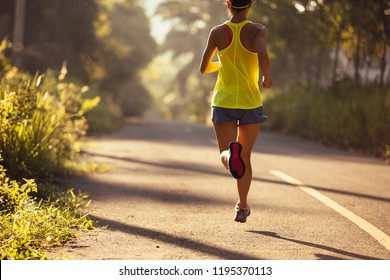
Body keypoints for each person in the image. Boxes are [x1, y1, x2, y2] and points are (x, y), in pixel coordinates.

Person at [200, 0, 272, 223]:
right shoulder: (258, 30)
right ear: (249, 5)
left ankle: (230, 156)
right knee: (246, 156)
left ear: (228, 4)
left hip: (223, 101)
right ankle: (242, 207)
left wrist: (222, 63)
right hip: (250, 102)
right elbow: (263, 55)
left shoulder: (217, 32)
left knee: (227, 152)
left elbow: (204, 68)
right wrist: (266, 78)